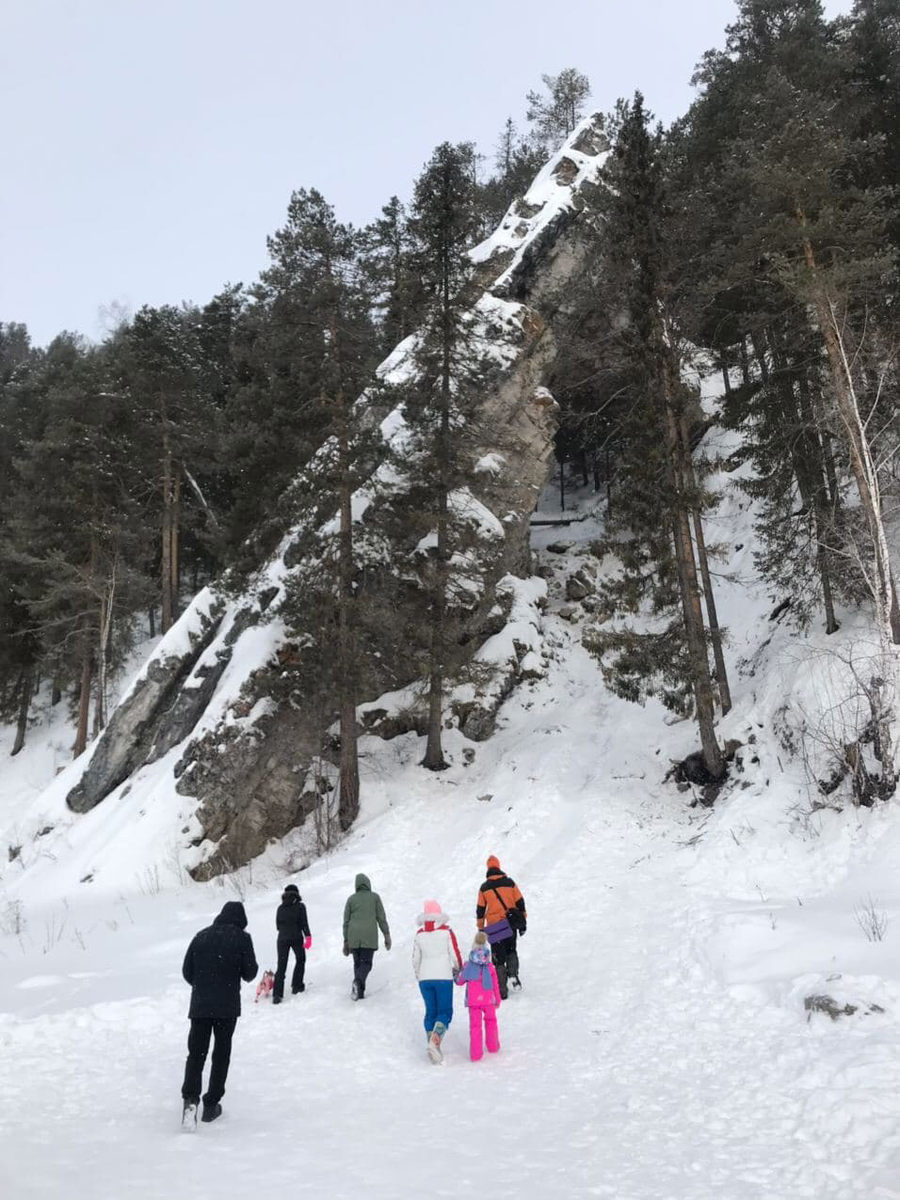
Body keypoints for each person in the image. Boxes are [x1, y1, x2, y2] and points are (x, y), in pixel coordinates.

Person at [180, 900, 258, 1128]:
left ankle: (190, 1100)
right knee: (221, 1055)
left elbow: (187, 971)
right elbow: (250, 973)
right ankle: (211, 1104)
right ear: (241, 921)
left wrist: (204, 985)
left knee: (196, 1054)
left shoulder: (201, 936)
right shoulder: (242, 938)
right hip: (226, 1008)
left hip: (201, 1006)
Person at [412, 899, 462, 1063]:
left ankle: (432, 1045)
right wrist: (459, 968)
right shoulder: (446, 932)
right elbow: (454, 953)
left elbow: (415, 959)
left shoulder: (419, 935)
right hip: (443, 978)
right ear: (439, 916)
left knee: (431, 1012)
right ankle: (435, 1043)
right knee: (445, 1012)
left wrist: (420, 976)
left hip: (425, 979)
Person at [475, 854, 527, 1000]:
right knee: (511, 950)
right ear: (498, 867)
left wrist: (480, 927)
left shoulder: (484, 888)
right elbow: (520, 902)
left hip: (494, 927)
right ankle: (513, 973)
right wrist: (523, 921)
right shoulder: (510, 883)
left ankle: (501, 990)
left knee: (498, 958)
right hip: (510, 925)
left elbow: (480, 909)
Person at [454, 931, 502, 1062]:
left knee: (475, 1027)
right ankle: (492, 1046)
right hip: (488, 1000)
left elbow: (459, 981)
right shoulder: (490, 966)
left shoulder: (468, 966)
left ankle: (476, 1054)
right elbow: (495, 985)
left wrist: (456, 974)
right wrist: (497, 999)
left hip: (473, 1001)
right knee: (491, 1022)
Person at [342, 873, 391, 999]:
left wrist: (346, 940)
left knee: (357, 964)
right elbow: (381, 918)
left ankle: (359, 992)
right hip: (368, 935)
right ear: (368, 884)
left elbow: (346, 921)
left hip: (353, 935)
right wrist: (386, 935)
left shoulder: (351, 899)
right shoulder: (374, 897)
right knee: (366, 963)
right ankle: (358, 983)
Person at [272, 883, 311, 1004]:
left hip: (282, 939)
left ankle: (277, 995)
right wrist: (308, 937)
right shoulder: (300, 906)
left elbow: (277, 926)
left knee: (281, 965)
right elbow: (304, 923)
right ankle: (296, 986)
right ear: (296, 893)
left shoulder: (280, 908)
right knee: (300, 959)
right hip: (296, 937)